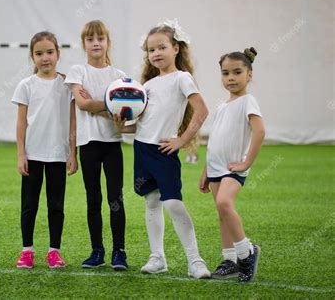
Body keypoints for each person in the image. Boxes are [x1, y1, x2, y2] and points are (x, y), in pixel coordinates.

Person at [116, 19, 211, 278]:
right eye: (151, 50)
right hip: (142, 150)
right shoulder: (145, 86)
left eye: (161, 47)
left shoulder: (182, 78)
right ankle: (157, 258)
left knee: (173, 203)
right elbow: (137, 125)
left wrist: (181, 140)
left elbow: (202, 111)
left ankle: (195, 260)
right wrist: (118, 121)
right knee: (152, 201)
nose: (156, 53)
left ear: (176, 48)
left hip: (164, 152)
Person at [64, 20, 128, 270]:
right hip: (88, 145)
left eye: (100, 38)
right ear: (84, 44)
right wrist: (110, 106)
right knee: (94, 199)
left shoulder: (120, 77)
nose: (96, 43)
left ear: (107, 42)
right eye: (90, 39)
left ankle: (119, 252)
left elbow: (127, 113)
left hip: (112, 144)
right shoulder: (77, 71)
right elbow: (81, 105)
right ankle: (97, 251)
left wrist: (96, 106)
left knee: (116, 199)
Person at [12, 31, 78, 269]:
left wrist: (73, 152)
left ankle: (54, 251)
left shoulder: (67, 85)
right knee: (29, 205)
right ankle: (27, 250)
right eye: (39, 53)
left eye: (50, 52)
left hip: (58, 156)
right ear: (32, 57)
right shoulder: (26, 85)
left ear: (58, 54)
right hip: (32, 155)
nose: (45, 57)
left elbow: (73, 120)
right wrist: (21, 154)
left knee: (56, 206)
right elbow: (21, 123)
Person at [199, 47, 265, 283]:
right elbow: (216, 139)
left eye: (237, 72)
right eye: (226, 73)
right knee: (221, 212)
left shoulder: (249, 101)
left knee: (225, 202)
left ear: (249, 74)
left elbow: (259, 131)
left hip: (234, 167)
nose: (231, 78)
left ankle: (247, 252)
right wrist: (206, 170)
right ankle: (230, 260)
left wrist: (247, 161)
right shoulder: (222, 106)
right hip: (215, 167)